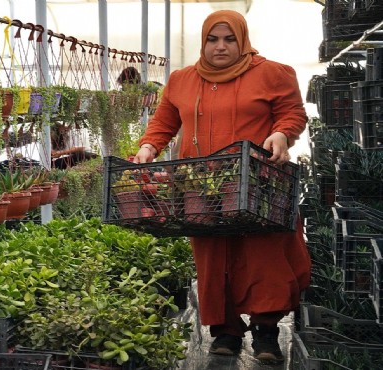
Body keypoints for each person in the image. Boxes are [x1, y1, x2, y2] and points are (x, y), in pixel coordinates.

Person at [133, 10, 310, 364]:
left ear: (242, 40)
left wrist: (281, 133)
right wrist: (149, 146)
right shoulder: (182, 80)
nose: (220, 47)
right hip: (202, 188)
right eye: (213, 39)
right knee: (213, 258)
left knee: (264, 255)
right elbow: (164, 121)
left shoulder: (272, 73)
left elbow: (293, 113)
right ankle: (225, 331)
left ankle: (266, 334)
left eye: (229, 39)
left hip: (259, 183)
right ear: (203, 42)